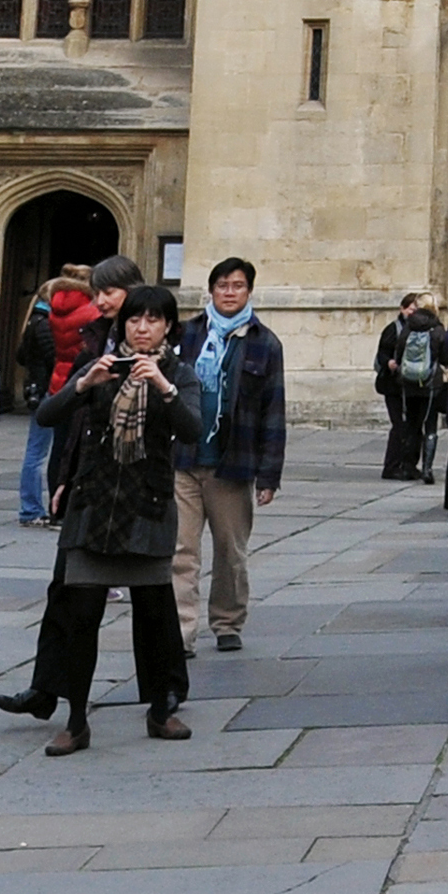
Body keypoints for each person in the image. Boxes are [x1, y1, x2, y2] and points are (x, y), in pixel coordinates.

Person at [0, 284, 197, 751]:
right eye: (134, 320)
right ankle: (75, 720)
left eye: (152, 320)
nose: (142, 328)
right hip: (94, 505)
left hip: (146, 505)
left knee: (154, 615)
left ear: (167, 326)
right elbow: (48, 415)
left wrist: (163, 387)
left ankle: (162, 708)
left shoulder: (178, 373)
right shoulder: (98, 367)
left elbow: (192, 429)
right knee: (80, 614)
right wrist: (83, 385)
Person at [176, 256, 283, 652]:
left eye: (237, 285)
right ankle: (181, 631)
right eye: (222, 285)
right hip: (184, 459)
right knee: (181, 551)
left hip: (232, 462)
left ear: (249, 291)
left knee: (230, 552)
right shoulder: (187, 334)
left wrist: (269, 475)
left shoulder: (264, 342)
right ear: (211, 290)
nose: (229, 292)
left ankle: (227, 622)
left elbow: (274, 410)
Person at [17, 265, 105, 524]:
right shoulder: (89, 313)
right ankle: (39, 508)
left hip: (55, 383)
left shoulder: (52, 312)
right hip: (71, 384)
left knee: (49, 450)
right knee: (57, 449)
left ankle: (42, 508)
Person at [375, 291, 447, 483]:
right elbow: (446, 356)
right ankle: (426, 469)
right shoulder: (437, 329)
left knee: (410, 426)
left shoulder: (408, 327)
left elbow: (398, 354)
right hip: (431, 384)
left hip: (408, 384)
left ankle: (407, 467)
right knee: (429, 427)